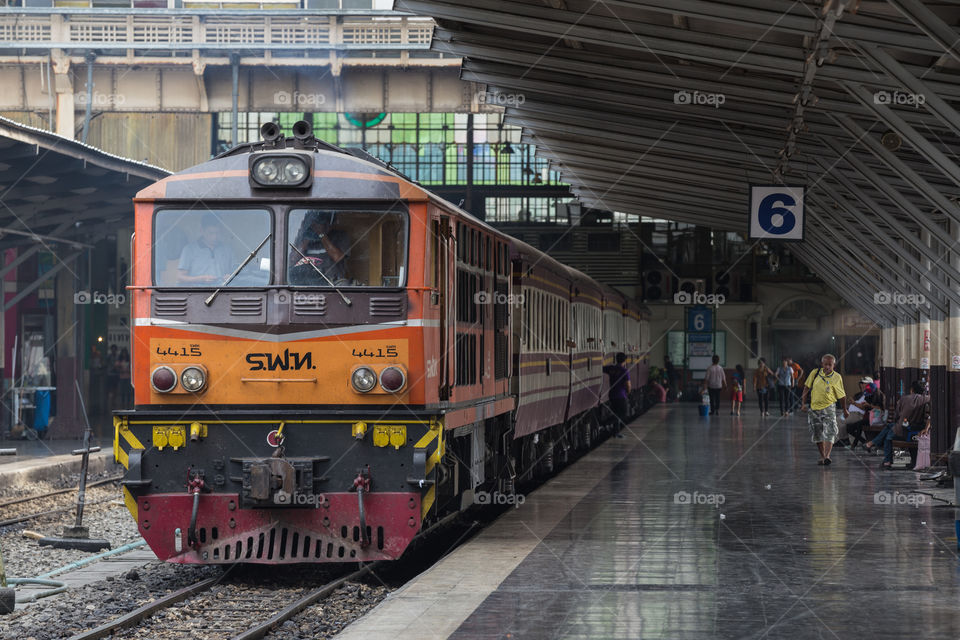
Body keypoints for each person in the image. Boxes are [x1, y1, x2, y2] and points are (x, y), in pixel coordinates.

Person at [864, 380, 929, 469]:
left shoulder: (904, 399)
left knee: (888, 436)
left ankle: (886, 460)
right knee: (890, 427)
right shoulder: (926, 399)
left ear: (912, 390)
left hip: (904, 430)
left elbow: (896, 415)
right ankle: (871, 444)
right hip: (916, 429)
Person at [800, 354, 846, 466]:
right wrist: (803, 403)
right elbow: (806, 388)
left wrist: (845, 409)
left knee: (830, 431)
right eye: (825, 364)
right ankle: (822, 456)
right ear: (822, 364)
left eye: (830, 365)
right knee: (817, 433)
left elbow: (842, 395)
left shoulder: (837, 377)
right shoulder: (815, 373)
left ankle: (827, 456)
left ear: (834, 365)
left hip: (829, 407)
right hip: (814, 408)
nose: (827, 367)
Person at [289, 210, 350, 285]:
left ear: (329, 224)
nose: (316, 226)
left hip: (331, 282)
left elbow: (337, 257)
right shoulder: (302, 237)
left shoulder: (340, 236)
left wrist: (321, 234)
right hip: (304, 280)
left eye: (320, 223)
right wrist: (307, 236)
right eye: (313, 223)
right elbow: (292, 260)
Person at [177, 214, 235, 284]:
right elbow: (180, 277)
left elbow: (236, 272)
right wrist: (200, 279)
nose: (215, 237)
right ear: (202, 230)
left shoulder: (227, 249)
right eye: (211, 233)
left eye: (218, 233)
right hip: (198, 293)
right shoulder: (189, 249)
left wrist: (231, 276)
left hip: (223, 293)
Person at [843, 377, 881, 449]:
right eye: (862, 383)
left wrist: (868, 405)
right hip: (867, 416)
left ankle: (854, 444)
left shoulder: (877, 394)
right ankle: (863, 442)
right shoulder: (863, 394)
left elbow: (879, 407)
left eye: (865, 383)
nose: (862, 385)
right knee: (850, 427)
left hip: (875, 417)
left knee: (859, 424)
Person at [604, 352, 631, 437]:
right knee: (623, 413)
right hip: (620, 395)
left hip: (612, 394)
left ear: (616, 359)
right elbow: (628, 384)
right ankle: (604, 423)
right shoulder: (624, 370)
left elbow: (602, 368)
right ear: (625, 360)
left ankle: (616, 432)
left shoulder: (611, 368)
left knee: (616, 412)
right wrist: (628, 392)